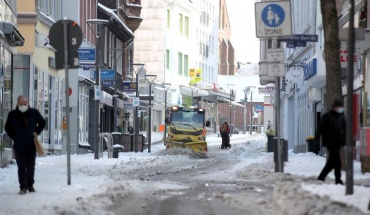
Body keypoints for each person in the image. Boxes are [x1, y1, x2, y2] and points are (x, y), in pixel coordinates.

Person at [5, 95, 46, 194]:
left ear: (28, 104)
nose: (23, 106)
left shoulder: (33, 112)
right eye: (21, 104)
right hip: (19, 145)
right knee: (21, 166)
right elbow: (7, 127)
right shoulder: (12, 114)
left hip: (31, 144)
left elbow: (42, 122)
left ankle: (30, 185)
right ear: (17, 104)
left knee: (31, 165)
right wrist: (14, 136)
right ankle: (23, 186)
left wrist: (36, 132)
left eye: (25, 104)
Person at [315, 98, 346, 185]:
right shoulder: (327, 116)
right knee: (337, 162)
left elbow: (344, 128)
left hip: (338, 142)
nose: (341, 108)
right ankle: (337, 180)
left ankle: (321, 178)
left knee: (332, 162)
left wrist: (345, 140)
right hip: (330, 142)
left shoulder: (341, 116)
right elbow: (320, 127)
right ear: (335, 107)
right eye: (340, 107)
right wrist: (317, 137)